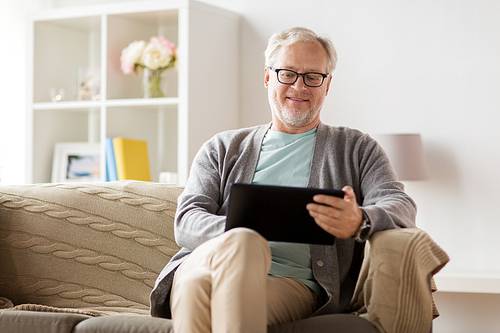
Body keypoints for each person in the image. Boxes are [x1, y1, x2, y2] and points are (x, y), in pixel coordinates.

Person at [150, 27, 419, 332]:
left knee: (201, 290)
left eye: (312, 77)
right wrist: (241, 234)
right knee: (236, 247)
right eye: (288, 73)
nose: (299, 86)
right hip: (203, 265)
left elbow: (401, 205)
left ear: (327, 85)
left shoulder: (356, 148)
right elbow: (186, 220)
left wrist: (359, 220)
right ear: (268, 78)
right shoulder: (222, 148)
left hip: (290, 285)